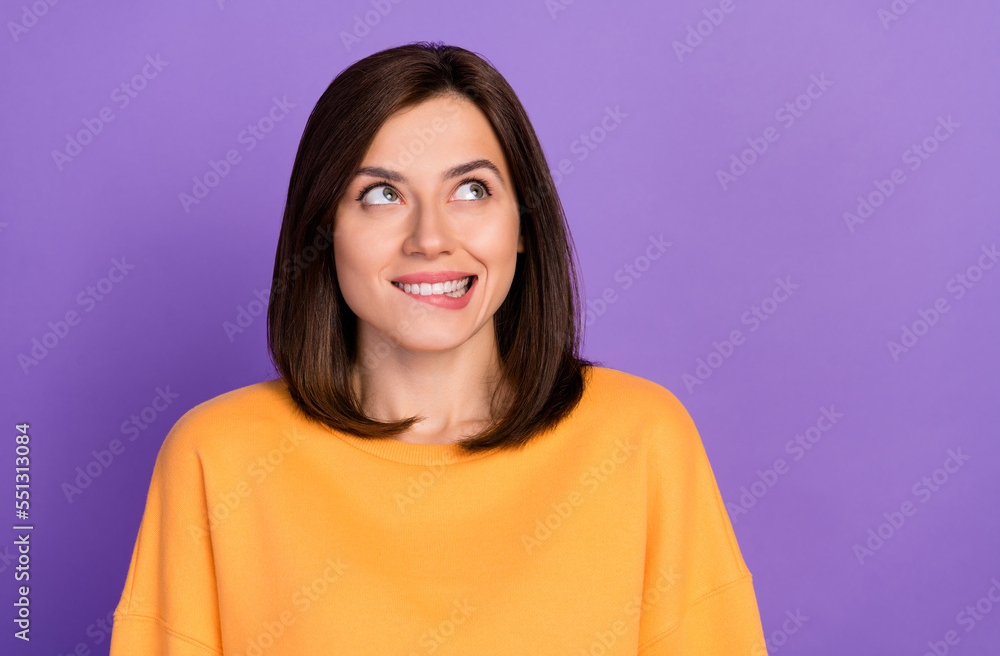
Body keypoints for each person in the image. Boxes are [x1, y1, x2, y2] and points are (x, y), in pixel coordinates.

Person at [109, 41, 767, 654]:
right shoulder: (216, 458)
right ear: (324, 230)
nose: (430, 238)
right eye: (382, 194)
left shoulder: (642, 440)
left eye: (472, 190)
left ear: (522, 225)